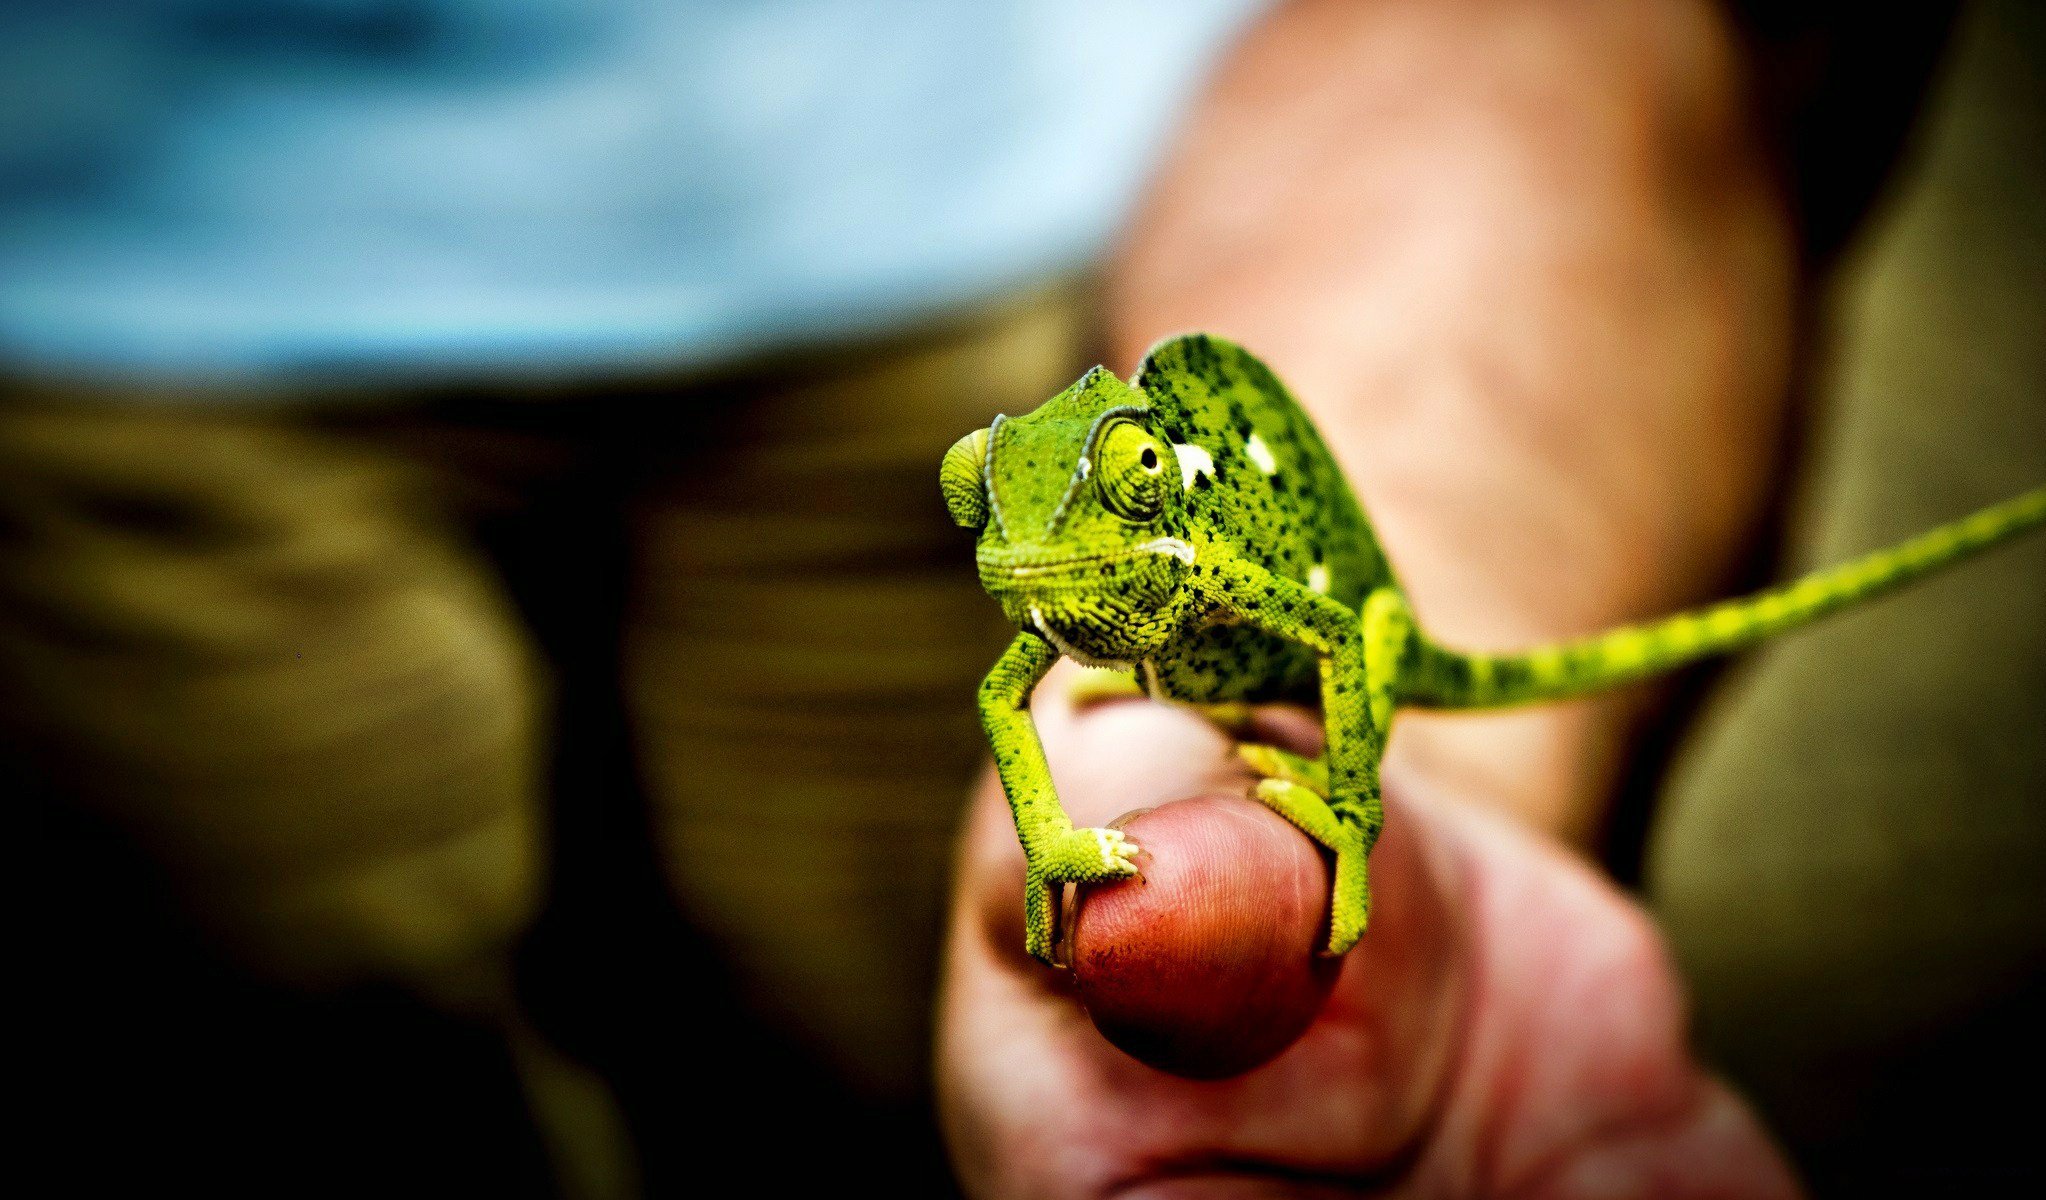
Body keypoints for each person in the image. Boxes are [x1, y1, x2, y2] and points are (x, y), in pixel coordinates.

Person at [7, 0, 2038, 1196]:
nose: (1030, 560)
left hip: (1019, 227)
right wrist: (1071, 802)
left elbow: (1340, 638)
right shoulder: (1067, 566)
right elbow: (1016, 693)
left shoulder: (1200, 551)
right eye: (998, 509)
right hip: (98, 313)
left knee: (894, 1046)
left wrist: (1387, 813)